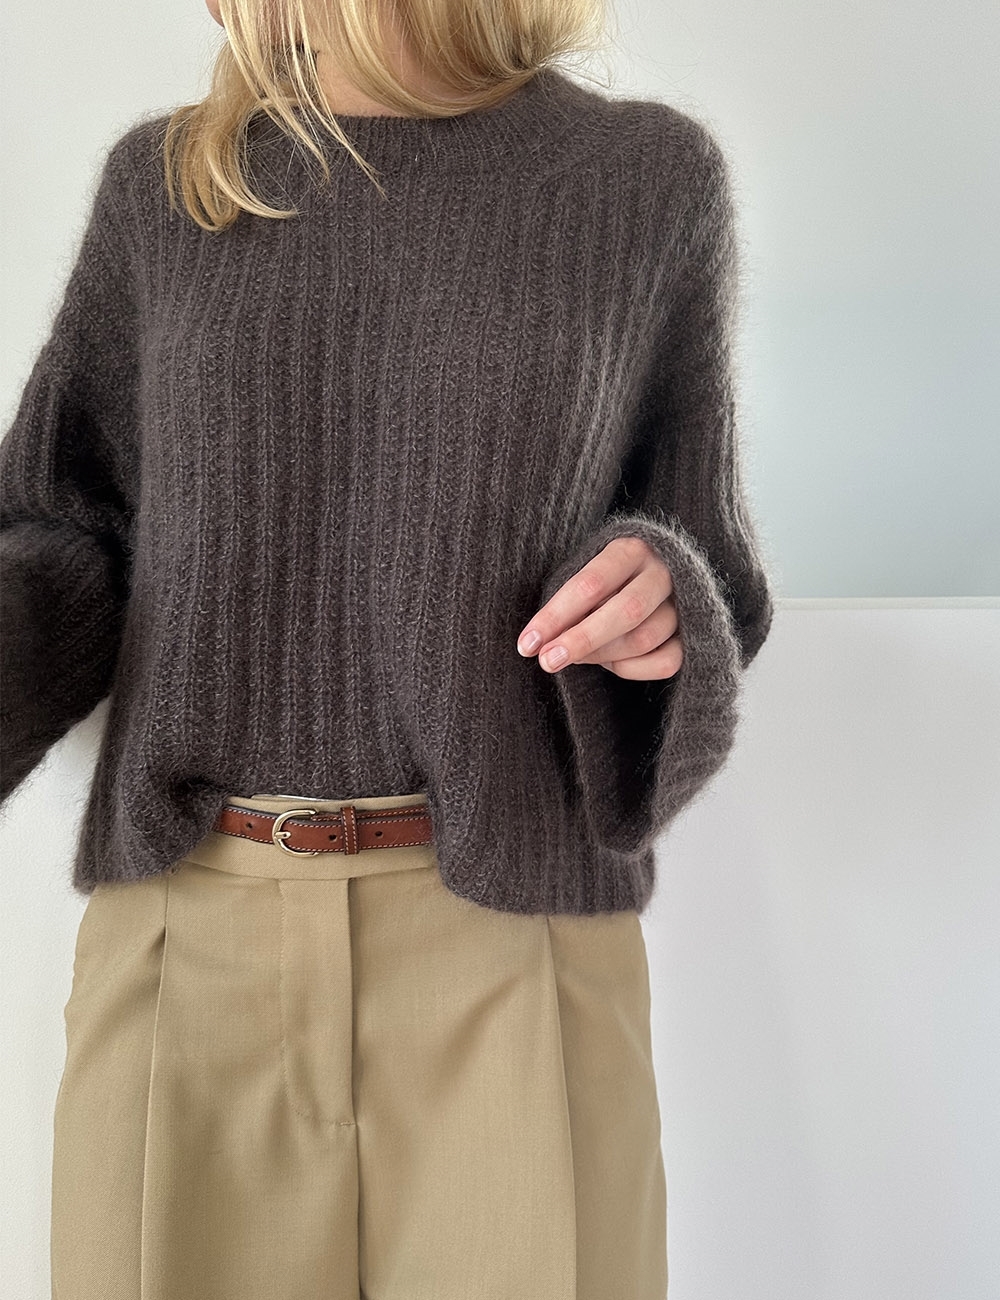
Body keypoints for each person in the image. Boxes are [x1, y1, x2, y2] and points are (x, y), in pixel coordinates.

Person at [0, 0, 776, 1296]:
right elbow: (66, 527)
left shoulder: (645, 182)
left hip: (511, 950)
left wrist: (662, 599)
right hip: (191, 944)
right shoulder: (167, 187)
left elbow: (707, 563)